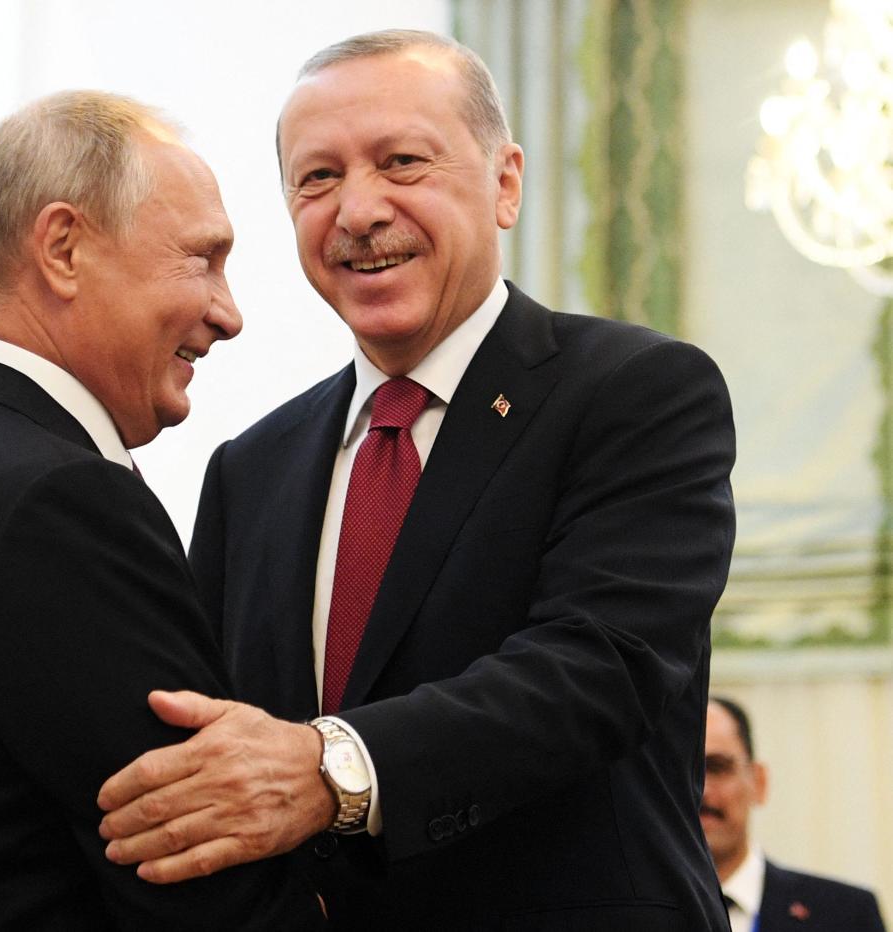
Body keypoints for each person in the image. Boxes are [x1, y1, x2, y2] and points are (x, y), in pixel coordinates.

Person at [96, 29, 738, 930]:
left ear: (505, 182)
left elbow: (602, 669)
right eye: (317, 179)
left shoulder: (635, 393)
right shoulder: (252, 470)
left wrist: (335, 769)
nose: (358, 211)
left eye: (402, 162)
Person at [0, 90, 324, 930]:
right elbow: (204, 885)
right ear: (64, 248)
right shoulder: (59, 505)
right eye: (202, 259)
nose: (228, 314)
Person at [704, 697, 886, 932]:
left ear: (759, 782)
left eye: (717, 767)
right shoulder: (643, 917)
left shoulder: (845, 915)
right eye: (679, 771)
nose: (701, 790)